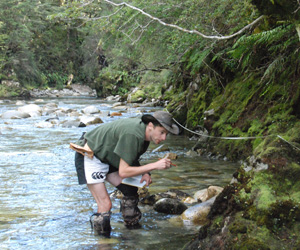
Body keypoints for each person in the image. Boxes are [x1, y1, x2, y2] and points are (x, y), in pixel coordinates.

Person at [72, 111, 179, 236]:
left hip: (109, 157)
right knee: (105, 205)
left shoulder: (145, 134)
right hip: (90, 155)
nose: (164, 138)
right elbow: (123, 172)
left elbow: (131, 157)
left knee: (130, 190)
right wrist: (154, 166)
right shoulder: (133, 134)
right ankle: (103, 242)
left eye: (166, 134)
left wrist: (146, 172)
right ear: (150, 125)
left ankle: (131, 234)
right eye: (162, 132)